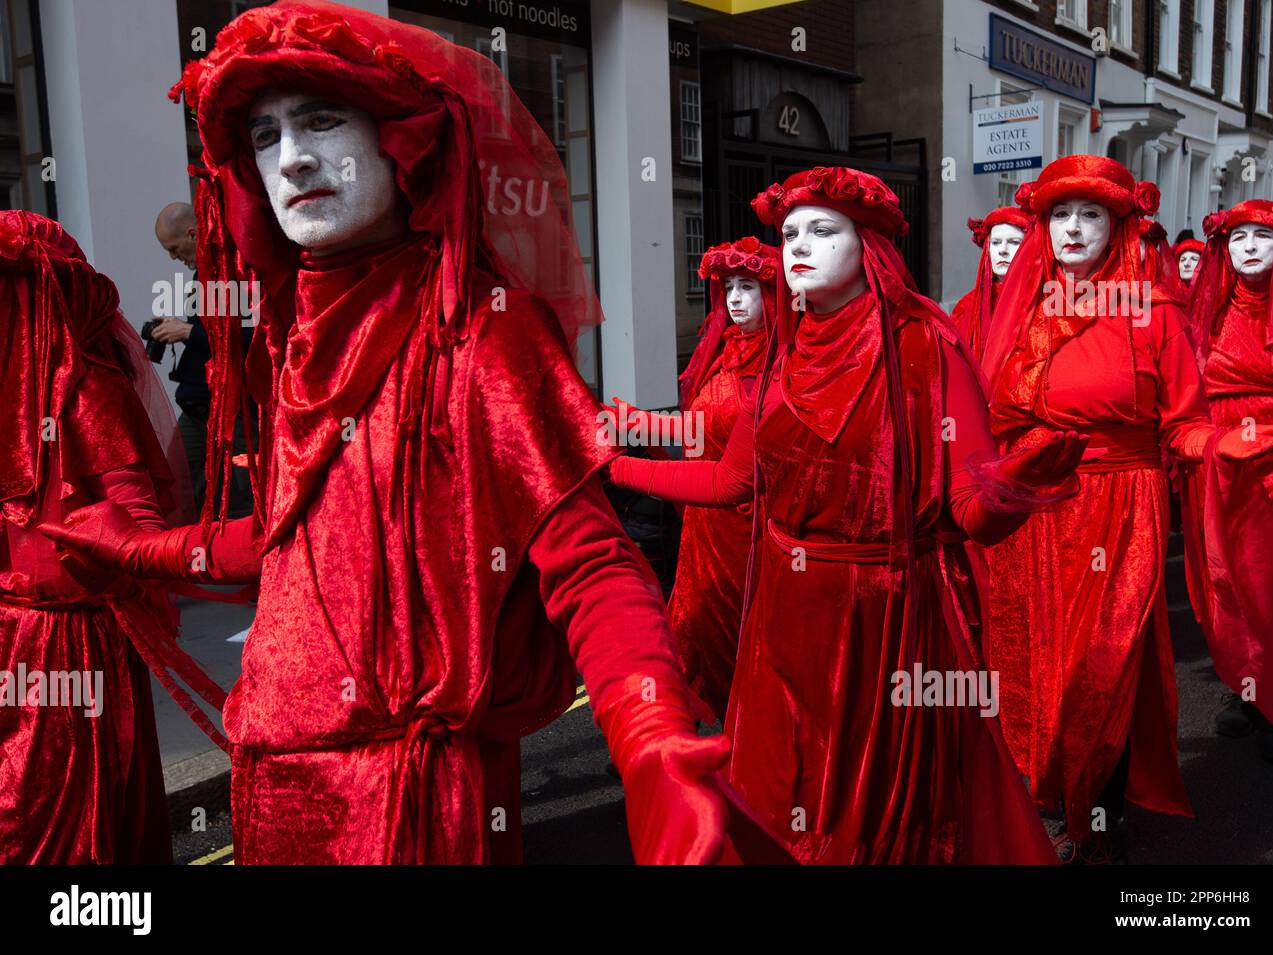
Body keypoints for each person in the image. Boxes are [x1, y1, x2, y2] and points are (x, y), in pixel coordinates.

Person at [44, 0, 740, 865]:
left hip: (405, 809)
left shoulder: (478, 328)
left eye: (322, 120)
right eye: (264, 135)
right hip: (276, 792)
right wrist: (135, 547)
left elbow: (589, 560)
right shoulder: (295, 342)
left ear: (399, 140)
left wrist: (649, 742)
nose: (292, 157)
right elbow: (283, 546)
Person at [607, 165, 1089, 864]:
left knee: (876, 830)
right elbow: (728, 480)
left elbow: (967, 508)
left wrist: (1012, 488)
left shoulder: (927, 343)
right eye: (792, 232)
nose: (799, 244)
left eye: (823, 230)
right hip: (780, 619)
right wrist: (611, 468)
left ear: (870, 246)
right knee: (779, 806)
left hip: (885, 624)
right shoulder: (782, 354)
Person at [979, 156, 1273, 862]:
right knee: (1038, 661)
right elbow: (995, 417)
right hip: (1034, 510)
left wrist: (1222, 441)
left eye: (1091, 214)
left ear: (1119, 227)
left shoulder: (1155, 314)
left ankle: (1102, 809)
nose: (1073, 228)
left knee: (1108, 660)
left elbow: (1180, 422)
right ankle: (1054, 795)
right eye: (1060, 214)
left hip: (1123, 503)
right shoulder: (1020, 311)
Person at [0, 211, 186, 863]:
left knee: (61, 829)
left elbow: (139, 526)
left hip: (72, 645)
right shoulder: (10, 393)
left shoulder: (84, 390)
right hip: (18, 638)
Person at [608, 238, 776, 720]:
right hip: (704, 531)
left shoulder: (779, 366)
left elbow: (731, 477)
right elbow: (702, 428)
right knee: (697, 634)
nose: (736, 300)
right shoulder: (725, 353)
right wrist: (631, 420)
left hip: (747, 530)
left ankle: (742, 748)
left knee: (745, 643)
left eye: (748, 287)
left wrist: (623, 467)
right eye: (729, 289)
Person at [1182, 199, 1273, 762]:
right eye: (1238, 238)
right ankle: (1248, 689)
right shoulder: (1208, 310)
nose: (1249, 246)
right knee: (1228, 585)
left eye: (1262, 236)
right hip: (1221, 466)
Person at [151, 202, 254, 518]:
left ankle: (248, 564)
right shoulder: (204, 274)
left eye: (173, 248)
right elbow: (212, 334)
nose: (172, 257)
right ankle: (193, 559)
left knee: (241, 499)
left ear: (193, 233)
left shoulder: (240, 267)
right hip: (198, 410)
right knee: (177, 489)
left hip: (236, 413)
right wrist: (183, 329)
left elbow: (256, 341)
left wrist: (188, 333)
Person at [950, 206, 1030, 362]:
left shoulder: (1042, 301)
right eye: (996, 243)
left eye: (1014, 242)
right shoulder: (966, 307)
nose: (1003, 250)